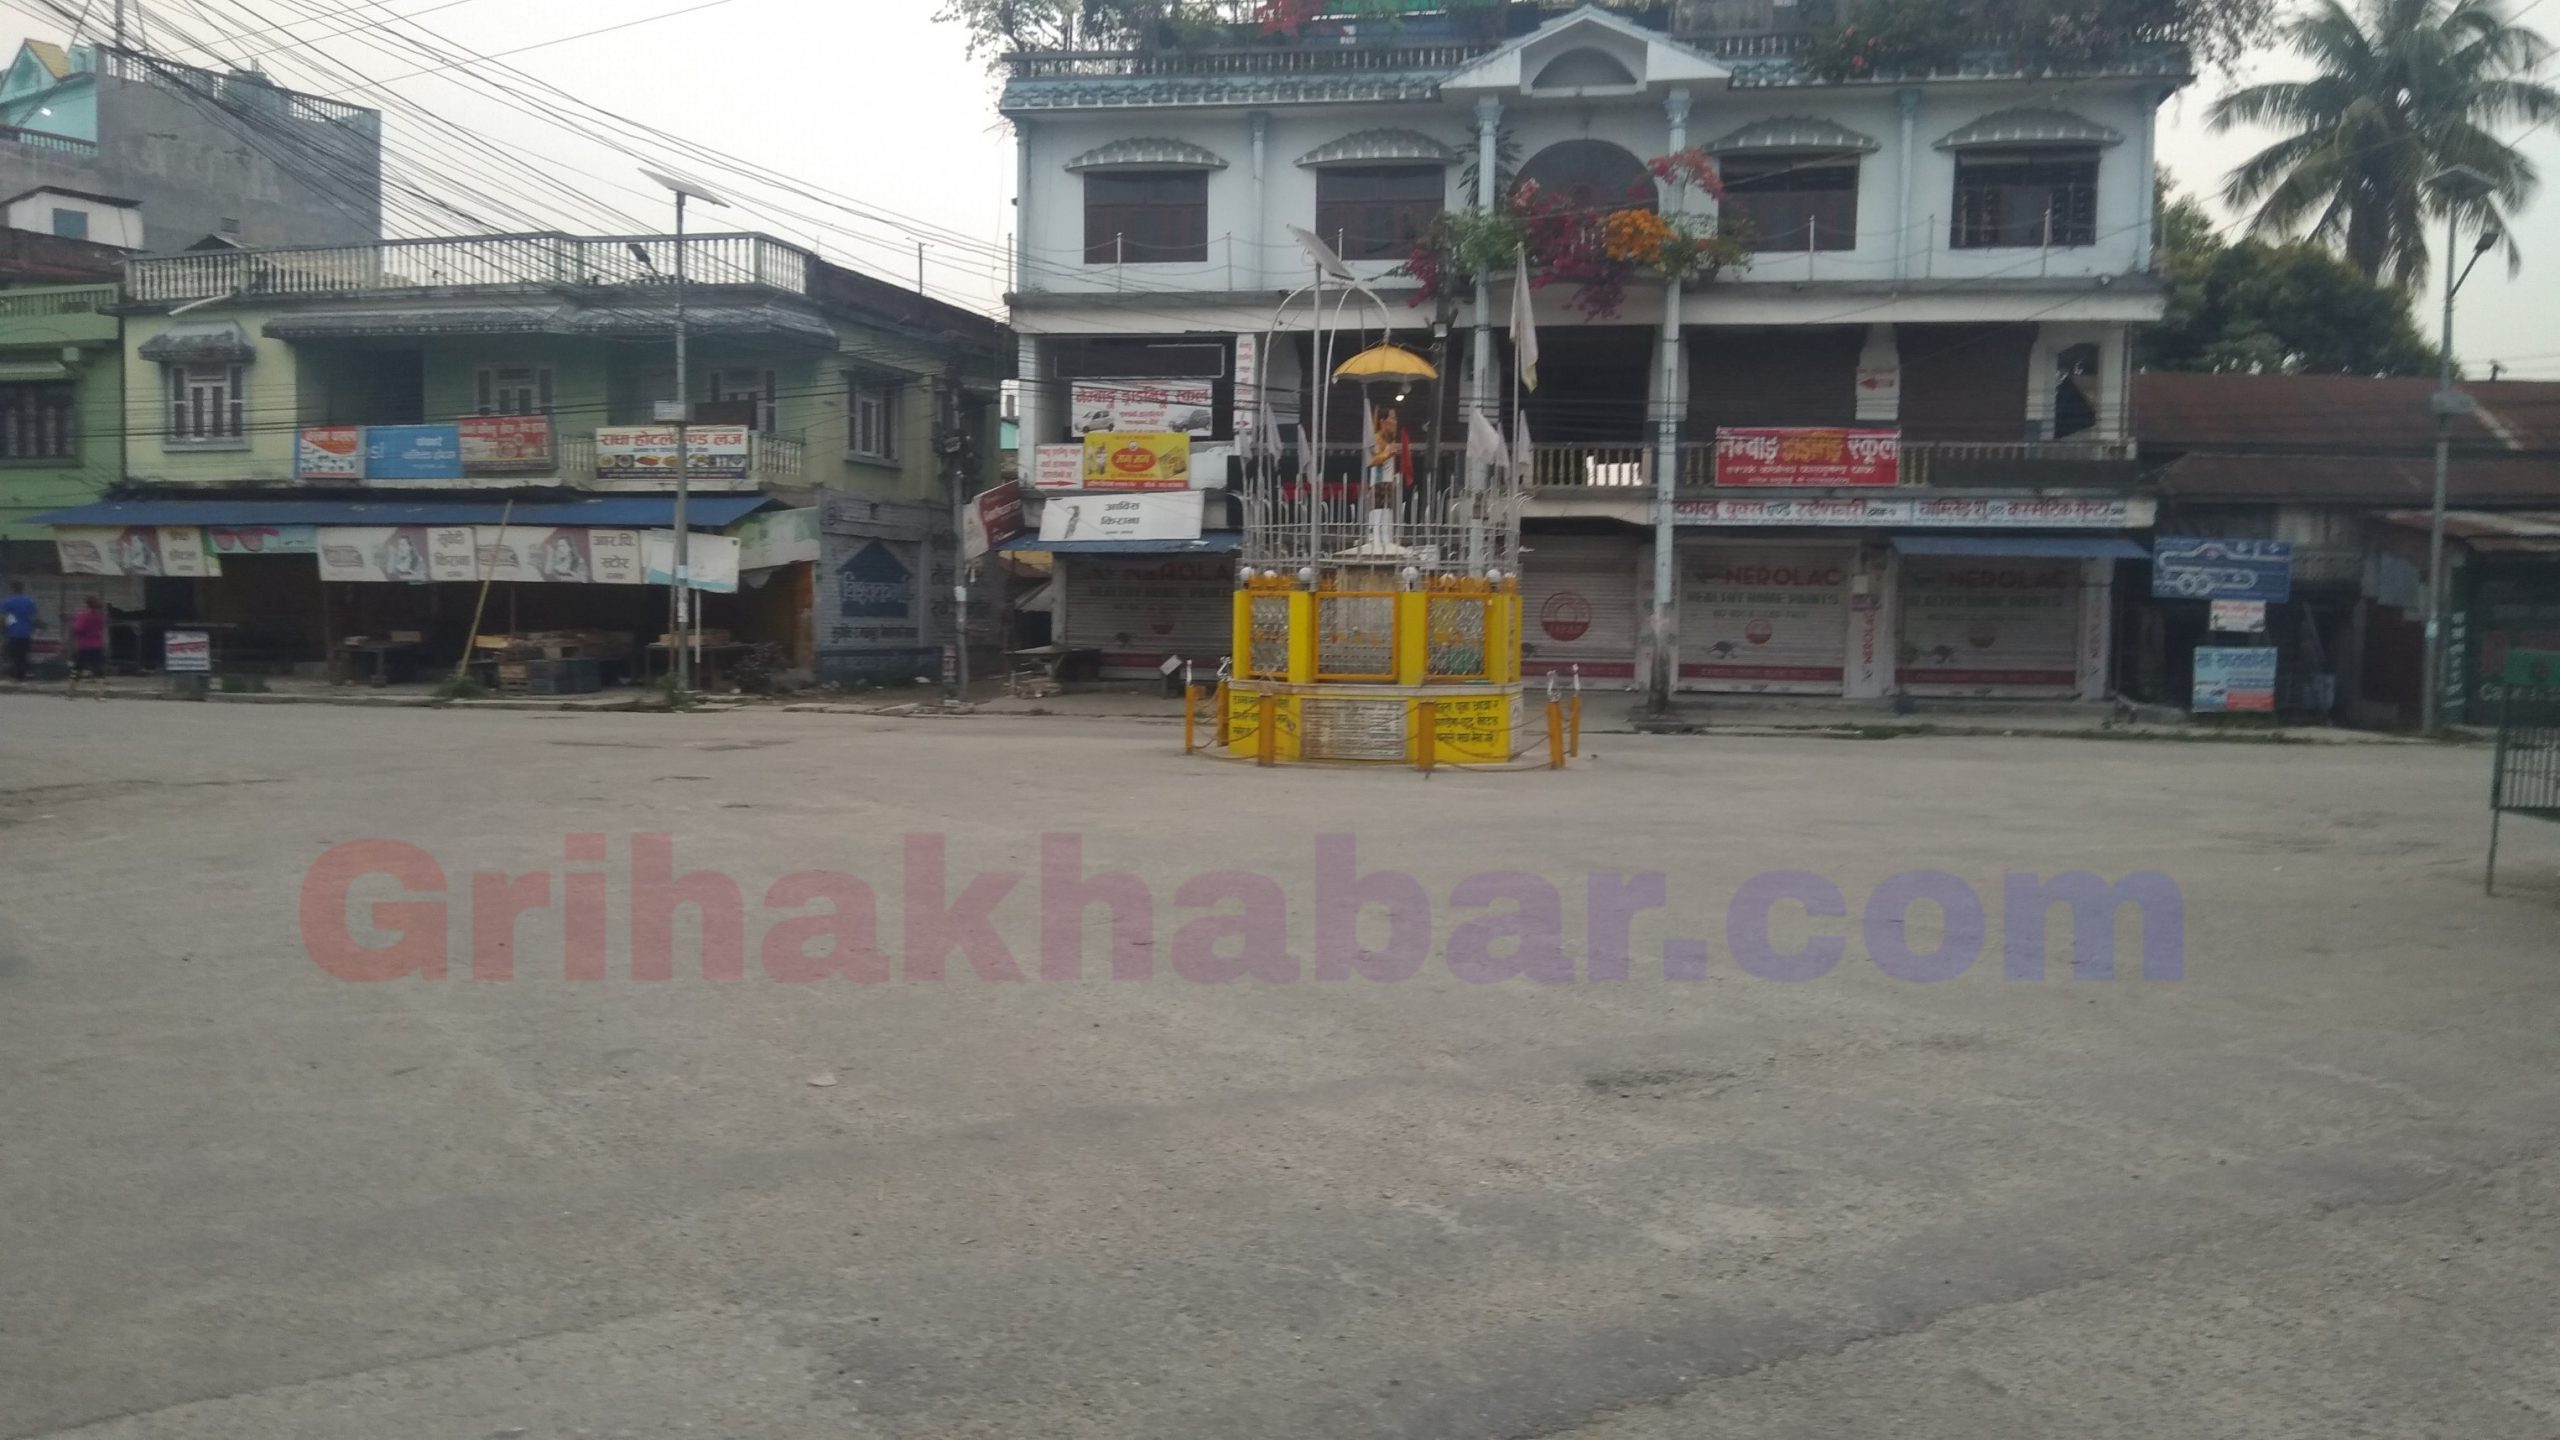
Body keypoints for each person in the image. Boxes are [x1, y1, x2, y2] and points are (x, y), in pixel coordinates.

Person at [65, 596, 106, 700]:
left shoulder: (83, 616)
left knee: (77, 669)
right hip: (97, 645)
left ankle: (70, 693)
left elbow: (77, 629)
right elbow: (101, 628)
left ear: (87, 604)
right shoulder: (100, 616)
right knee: (98, 669)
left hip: (84, 645)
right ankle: (100, 693)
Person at [2, 582, 34, 683]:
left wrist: (3, 629)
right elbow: (33, 616)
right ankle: (22, 675)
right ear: (22, 589)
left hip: (13, 632)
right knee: (23, 654)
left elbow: (3, 617)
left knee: (13, 654)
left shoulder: (8, 602)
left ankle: (16, 676)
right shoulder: (29, 601)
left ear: (12, 589)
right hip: (25, 632)